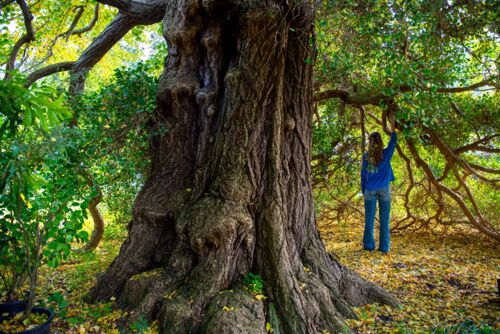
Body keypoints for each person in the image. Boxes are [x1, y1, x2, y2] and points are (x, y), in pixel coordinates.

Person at [360, 115, 397, 253]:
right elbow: (394, 140)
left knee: (369, 218)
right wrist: (392, 124)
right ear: (381, 142)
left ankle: (369, 246)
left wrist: (363, 190)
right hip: (384, 190)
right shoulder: (386, 154)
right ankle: (384, 247)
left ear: (370, 143)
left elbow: (363, 175)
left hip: (369, 189)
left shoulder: (366, 157)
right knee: (384, 219)